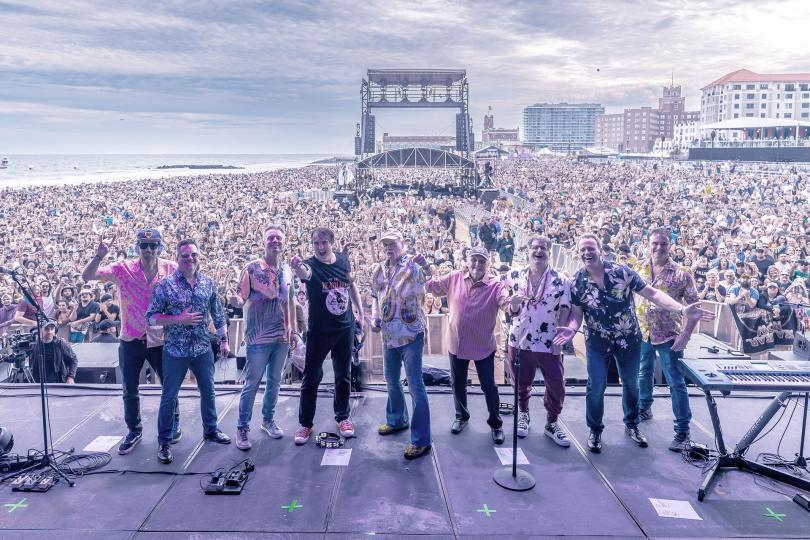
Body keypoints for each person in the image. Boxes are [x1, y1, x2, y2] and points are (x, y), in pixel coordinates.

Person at [555, 234, 713, 453]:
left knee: (631, 384)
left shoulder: (622, 272)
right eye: (582, 249)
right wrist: (572, 329)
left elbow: (653, 293)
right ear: (577, 252)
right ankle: (595, 430)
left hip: (629, 339)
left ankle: (633, 425)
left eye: (591, 248)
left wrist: (681, 310)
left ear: (600, 250)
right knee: (596, 385)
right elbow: (577, 314)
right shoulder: (576, 282)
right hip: (598, 343)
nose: (587, 253)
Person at [83, 228, 181, 455]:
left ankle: (173, 424)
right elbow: (87, 277)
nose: (148, 249)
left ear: (160, 246)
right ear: (137, 246)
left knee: (169, 386)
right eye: (144, 245)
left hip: (160, 338)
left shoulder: (171, 268)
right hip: (130, 337)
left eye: (153, 245)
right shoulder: (123, 268)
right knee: (129, 388)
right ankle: (134, 430)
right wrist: (99, 255)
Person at [146, 239, 231, 464]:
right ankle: (164, 441)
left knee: (208, 390)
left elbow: (218, 312)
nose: (190, 259)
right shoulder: (165, 285)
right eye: (185, 256)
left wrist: (224, 339)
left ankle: (211, 430)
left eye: (193, 255)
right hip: (175, 350)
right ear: (177, 258)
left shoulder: (208, 283)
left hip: (203, 347)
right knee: (169, 396)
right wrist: (178, 319)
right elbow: (151, 318)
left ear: (198, 256)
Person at [426, 246, 509, 444]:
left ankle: (496, 424)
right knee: (458, 384)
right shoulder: (454, 277)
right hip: (457, 343)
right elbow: (432, 287)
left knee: (489, 386)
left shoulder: (496, 285)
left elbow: (507, 303)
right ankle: (461, 416)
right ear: (467, 261)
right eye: (474, 260)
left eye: (482, 261)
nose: (477, 265)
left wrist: (513, 304)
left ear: (488, 265)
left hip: (482, 345)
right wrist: (425, 269)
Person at [290, 227, 364, 445]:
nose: (320, 247)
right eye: (316, 243)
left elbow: (352, 285)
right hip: (319, 330)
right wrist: (297, 268)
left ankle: (343, 417)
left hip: (345, 328)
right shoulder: (310, 265)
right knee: (311, 377)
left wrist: (360, 311)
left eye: (324, 243)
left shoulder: (342, 259)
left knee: (343, 375)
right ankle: (305, 424)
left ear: (332, 242)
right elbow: (305, 273)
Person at [230, 225, 297, 451]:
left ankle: (268, 420)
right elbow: (241, 297)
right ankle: (242, 427)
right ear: (264, 241)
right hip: (257, 337)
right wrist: (234, 301)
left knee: (275, 382)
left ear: (284, 242)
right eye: (271, 238)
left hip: (281, 336)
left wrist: (293, 329)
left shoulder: (287, 270)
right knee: (252, 383)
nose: (275, 241)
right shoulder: (251, 268)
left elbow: (290, 301)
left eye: (279, 237)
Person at [635, 229, 700, 452]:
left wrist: (686, 335)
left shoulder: (682, 273)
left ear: (670, 245)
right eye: (655, 243)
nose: (659, 248)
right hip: (643, 331)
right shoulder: (638, 268)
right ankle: (644, 407)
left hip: (670, 335)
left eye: (663, 244)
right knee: (644, 371)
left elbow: (694, 308)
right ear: (648, 243)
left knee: (675, 381)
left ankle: (682, 430)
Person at [370, 229, 433, 459]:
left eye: (393, 244)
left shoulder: (413, 267)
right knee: (391, 380)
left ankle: (421, 440)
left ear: (402, 244)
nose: (389, 248)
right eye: (385, 244)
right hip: (388, 336)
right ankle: (397, 420)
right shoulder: (378, 269)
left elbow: (430, 280)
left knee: (415, 385)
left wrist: (426, 266)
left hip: (410, 335)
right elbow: (375, 296)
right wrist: (374, 318)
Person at [505, 235, 571, 445]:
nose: (538, 251)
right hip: (519, 339)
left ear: (549, 252)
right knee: (521, 383)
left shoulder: (561, 280)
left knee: (556, 384)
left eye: (543, 248)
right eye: (535, 247)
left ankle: (551, 422)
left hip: (548, 340)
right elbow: (508, 309)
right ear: (528, 251)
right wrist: (514, 306)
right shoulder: (513, 275)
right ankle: (523, 414)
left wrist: (559, 341)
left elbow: (565, 309)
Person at [30, 319, 78, 384]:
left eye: (52, 329)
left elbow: (74, 360)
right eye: (46, 329)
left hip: (58, 381)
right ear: (40, 330)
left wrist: (71, 377)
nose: (50, 332)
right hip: (38, 381)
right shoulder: (34, 344)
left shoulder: (61, 343)